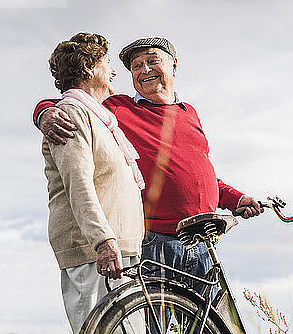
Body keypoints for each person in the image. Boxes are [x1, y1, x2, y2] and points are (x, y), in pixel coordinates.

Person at [34, 37, 263, 288]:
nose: (144, 70)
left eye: (152, 61)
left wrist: (236, 199)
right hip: (154, 243)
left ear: (173, 66)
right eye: (136, 66)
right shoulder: (118, 108)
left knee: (210, 324)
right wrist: (43, 111)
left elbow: (200, 174)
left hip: (202, 243)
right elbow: (74, 102)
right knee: (156, 325)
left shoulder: (190, 113)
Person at [41, 33, 144, 333]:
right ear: (88, 68)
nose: (114, 72)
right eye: (107, 63)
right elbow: (79, 183)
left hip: (117, 250)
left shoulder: (102, 118)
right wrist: (103, 240)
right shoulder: (71, 114)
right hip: (93, 253)